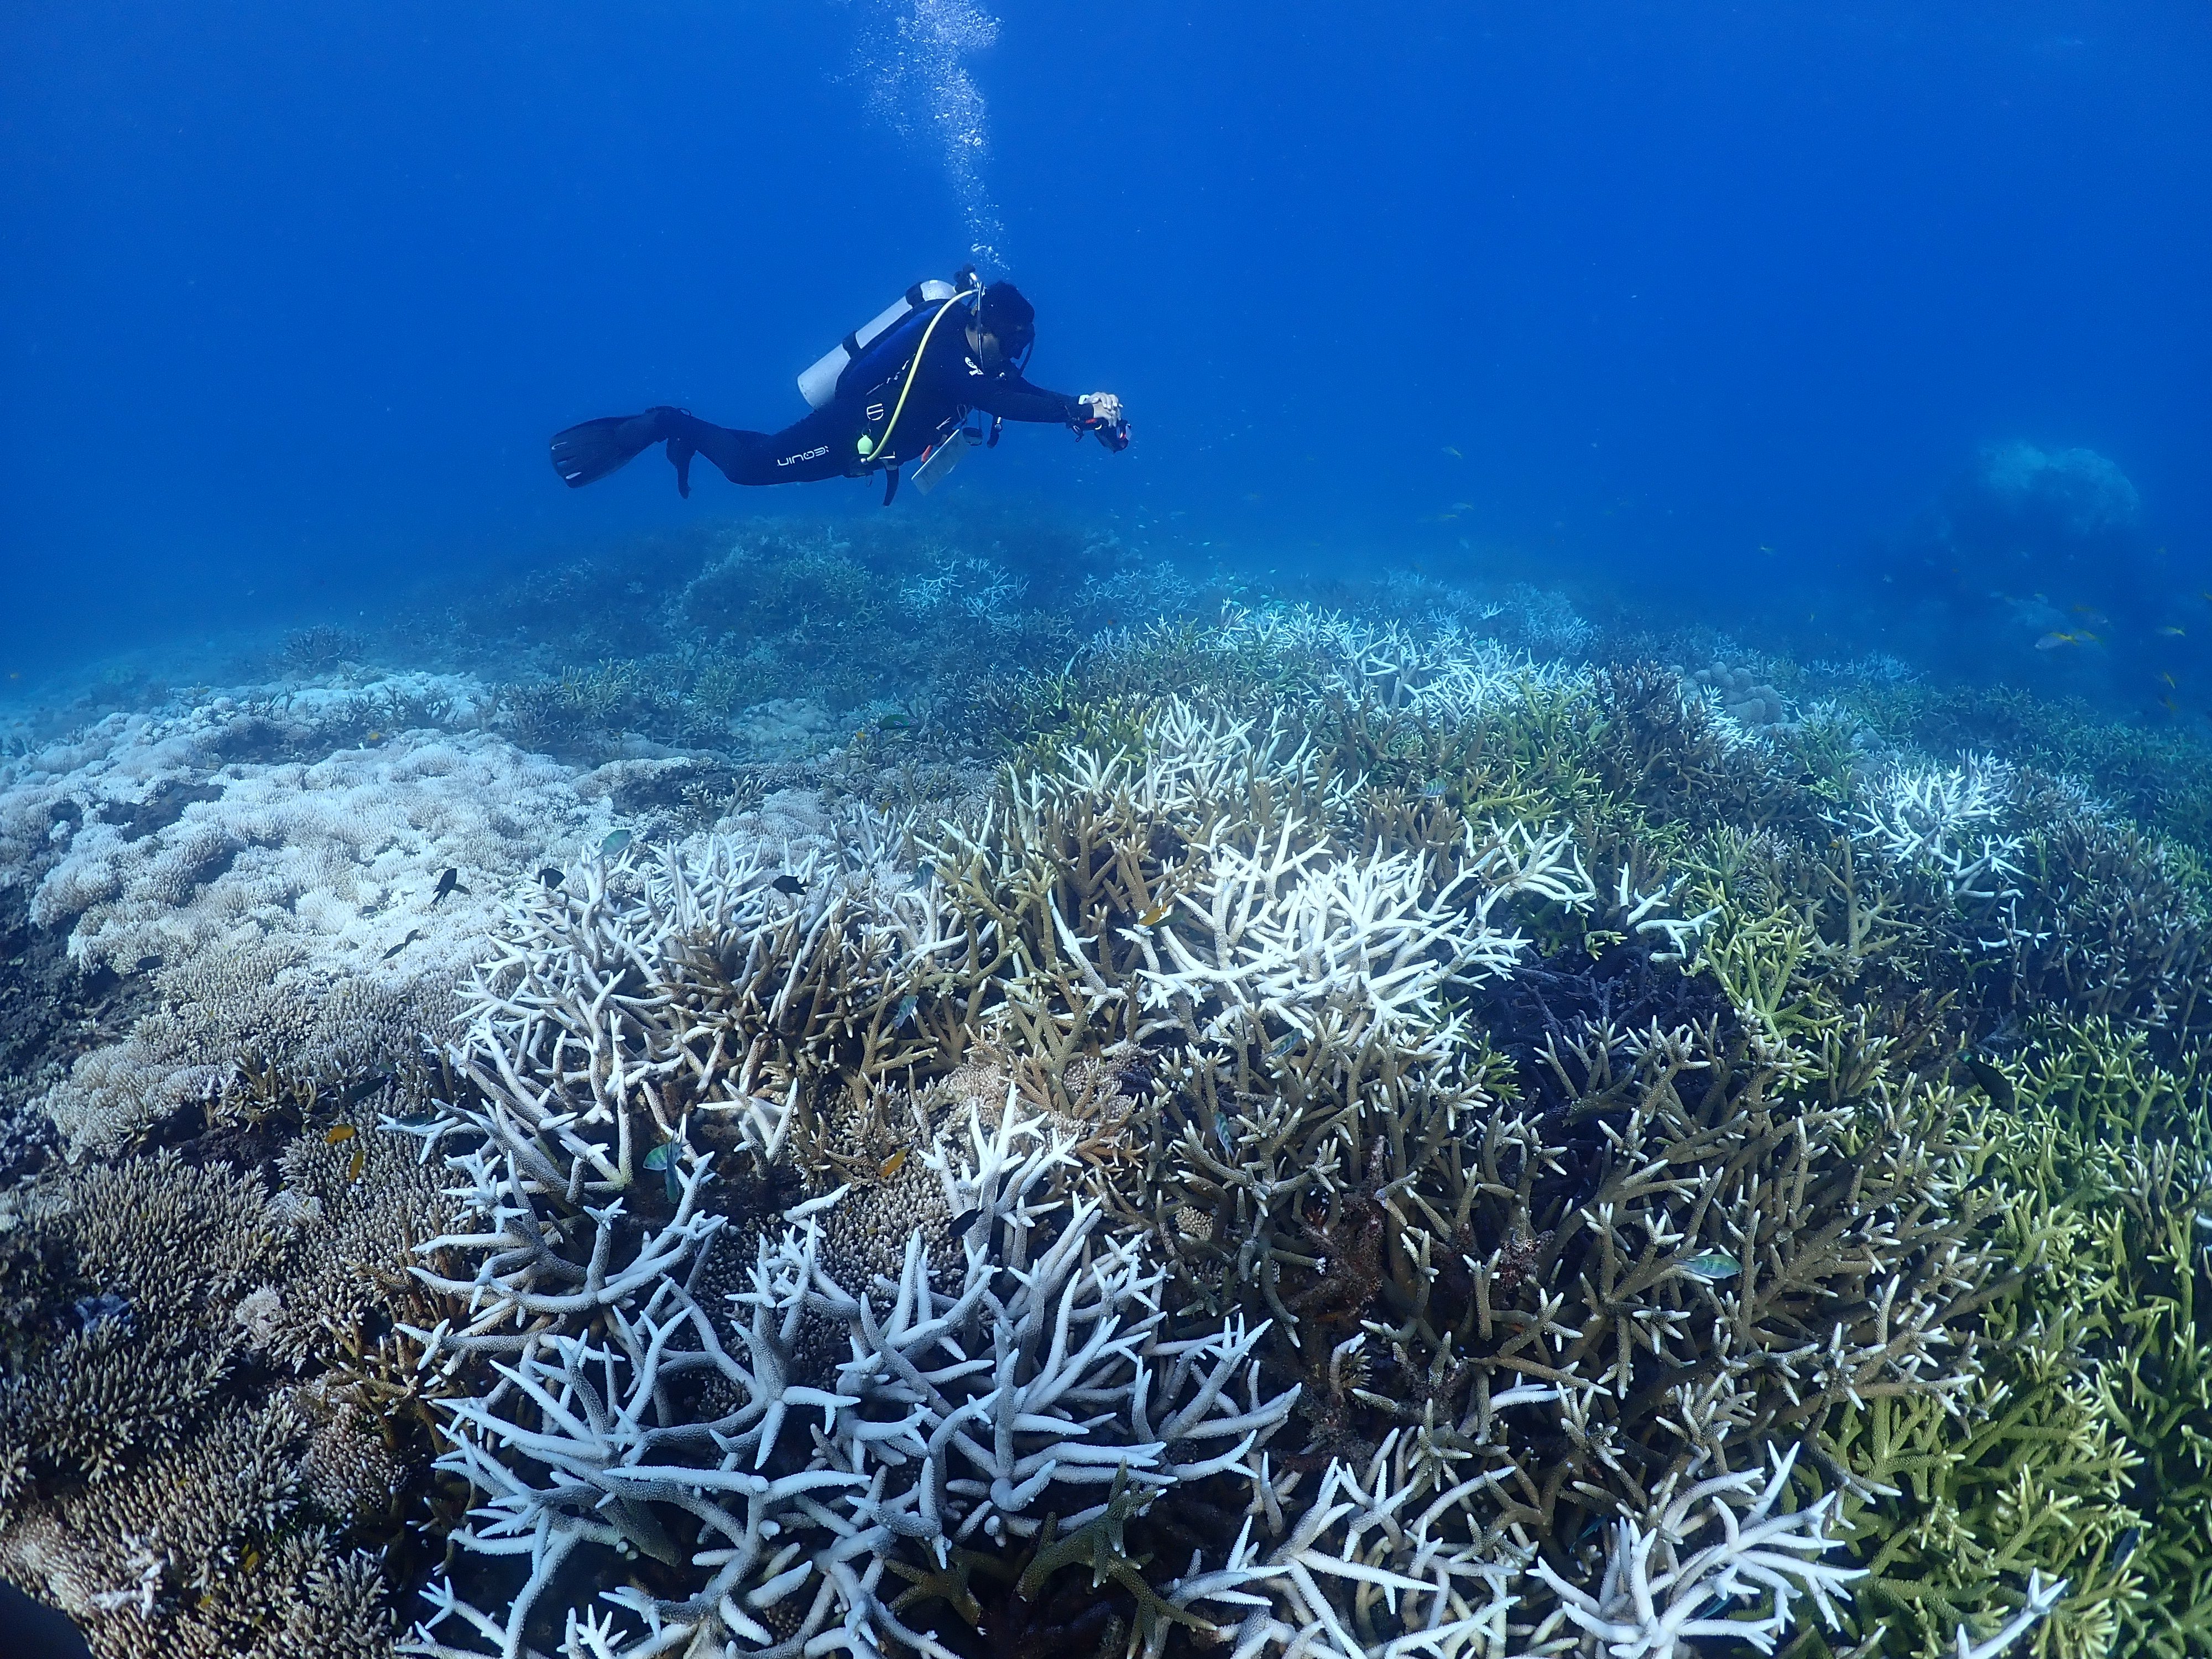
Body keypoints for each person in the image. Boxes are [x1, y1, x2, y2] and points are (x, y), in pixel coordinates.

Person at [549, 278, 1128, 504]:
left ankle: (685, 431)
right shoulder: (947, 348)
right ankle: (668, 422)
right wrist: (1075, 410)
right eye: (1005, 345)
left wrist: (1083, 409)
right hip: (850, 426)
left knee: (764, 455)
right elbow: (997, 400)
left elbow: (1014, 389)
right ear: (984, 326)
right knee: (750, 469)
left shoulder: (980, 356)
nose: (1007, 359)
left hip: (867, 445)